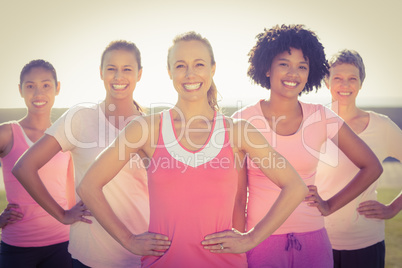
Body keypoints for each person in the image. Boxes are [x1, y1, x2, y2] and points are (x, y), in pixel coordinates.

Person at [77, 31, 308, 268]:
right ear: (169, 72)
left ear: (212, 69)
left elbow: (295, 186)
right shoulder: (145, 128)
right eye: (180, 65)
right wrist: (128, 239)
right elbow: (88, 186)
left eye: (199, 64)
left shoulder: (238, 131)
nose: (190, 74)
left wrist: (251, 238)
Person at [231, 24, 383, 268]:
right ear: (267, 67)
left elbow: (372, 167)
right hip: (260, 242)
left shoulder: (322, 117)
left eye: (302, 67)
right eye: (284, 64)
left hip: (314, 241)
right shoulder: (243, 121)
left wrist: (329, 205)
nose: (294, 73)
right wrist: (237, 248)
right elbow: (238, 198)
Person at [12, 41, 151, 268]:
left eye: (127, 69)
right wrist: (62, 215)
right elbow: (24, 168)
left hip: (144, 254)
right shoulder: (80, 118)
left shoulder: (150, 126)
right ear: (100, 72)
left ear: (139, 74)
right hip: (92, 256)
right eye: (111, 68)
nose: (118, 76)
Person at [314, 49, 402, 268]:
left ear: (361, 83)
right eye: (338, 78)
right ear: (327, 82)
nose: (345, 85)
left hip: (366, 241)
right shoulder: (311, 123)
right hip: (317, 240)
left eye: (352, 78)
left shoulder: (381, 126)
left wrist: (393, 208)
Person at [0, 59, 87, 267]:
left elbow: (71, 186)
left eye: (46, 85)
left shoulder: (66, 137)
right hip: (17, 247)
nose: (38, 93)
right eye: (30, 86)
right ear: (20, 90)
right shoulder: (7, 133)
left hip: (62, 245)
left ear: (57, 88)